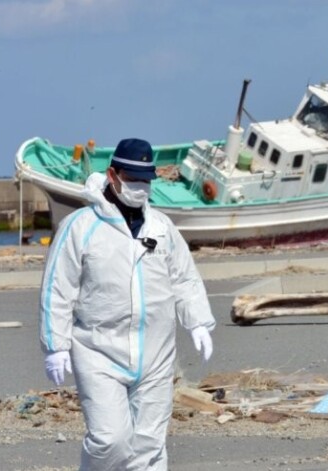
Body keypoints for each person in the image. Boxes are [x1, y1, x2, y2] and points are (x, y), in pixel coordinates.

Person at [39, 138, 216, 470]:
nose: (140, 187)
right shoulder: (80, 227)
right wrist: (56, 345)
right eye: (132, 178)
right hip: (98, 351)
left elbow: (184, 278)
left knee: (149, 443)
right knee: (110, 440)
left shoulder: (160, 227)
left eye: (145, 180)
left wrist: (199, 322)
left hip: (156, 352)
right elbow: (58, 289)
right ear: (112, 175)